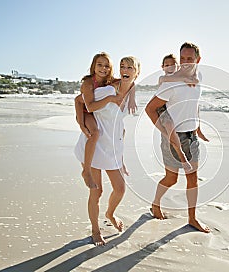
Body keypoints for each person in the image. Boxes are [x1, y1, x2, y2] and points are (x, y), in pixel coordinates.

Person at [74, 56, 140, 245]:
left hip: (111, 148)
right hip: (93, 145)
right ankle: (95, 230)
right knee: (97, 191)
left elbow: (121, 127)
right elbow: (81, 101)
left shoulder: (130, 93)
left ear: (137, 72)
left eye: (130, 67)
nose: (125, 69)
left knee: (120, 189)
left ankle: (110, 214)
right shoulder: (107, 90)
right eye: (122, 67)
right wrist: (80, 122)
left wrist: (121, 157)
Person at [145, 42, 210, 233]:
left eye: (190, 59)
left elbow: (195, 102)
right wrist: (165, 133)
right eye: (183, 59)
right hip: (173, 136)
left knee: (193, 180)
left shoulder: (200, 77)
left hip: (191, 135)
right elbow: (150, 109)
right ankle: (155, 204)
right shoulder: (171, 82)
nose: (186, 62)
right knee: (171, 179)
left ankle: (192, 218)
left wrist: (198, 126)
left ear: (198, 60)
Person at [74, 53, 136, 189]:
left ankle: (120, 161)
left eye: (107, 66)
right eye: (100, 65)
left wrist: (132, 98)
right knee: (95, 133)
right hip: (86, 112)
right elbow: (86, 105)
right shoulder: (89, 83)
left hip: (95, 111)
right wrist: (80, 123)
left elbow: (131, 82)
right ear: (93, 66)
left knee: (121, 131)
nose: (103, 68)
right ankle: (86, 170)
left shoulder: (110, 81)